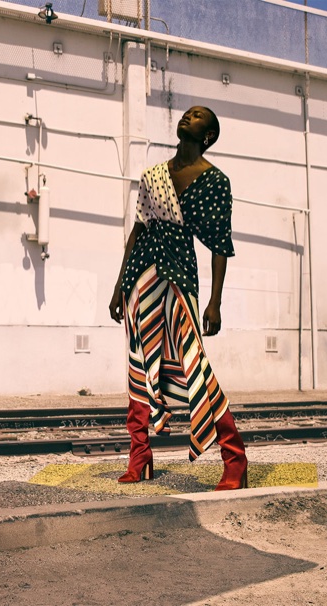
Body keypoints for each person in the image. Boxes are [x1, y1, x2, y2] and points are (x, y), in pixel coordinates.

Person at [109, 106, 247, 489]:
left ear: (209, 135)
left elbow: (221, 245)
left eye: (199, 116)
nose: (189, 116)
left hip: (179, 274)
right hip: (141, 277)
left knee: (195, 365)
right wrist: (119, 286)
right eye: (187, 113)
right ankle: (140, 457)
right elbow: (136, 231)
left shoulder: (216, 181)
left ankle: (235, 458)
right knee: (138, 367)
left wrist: (215, 302)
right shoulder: (152, 175)